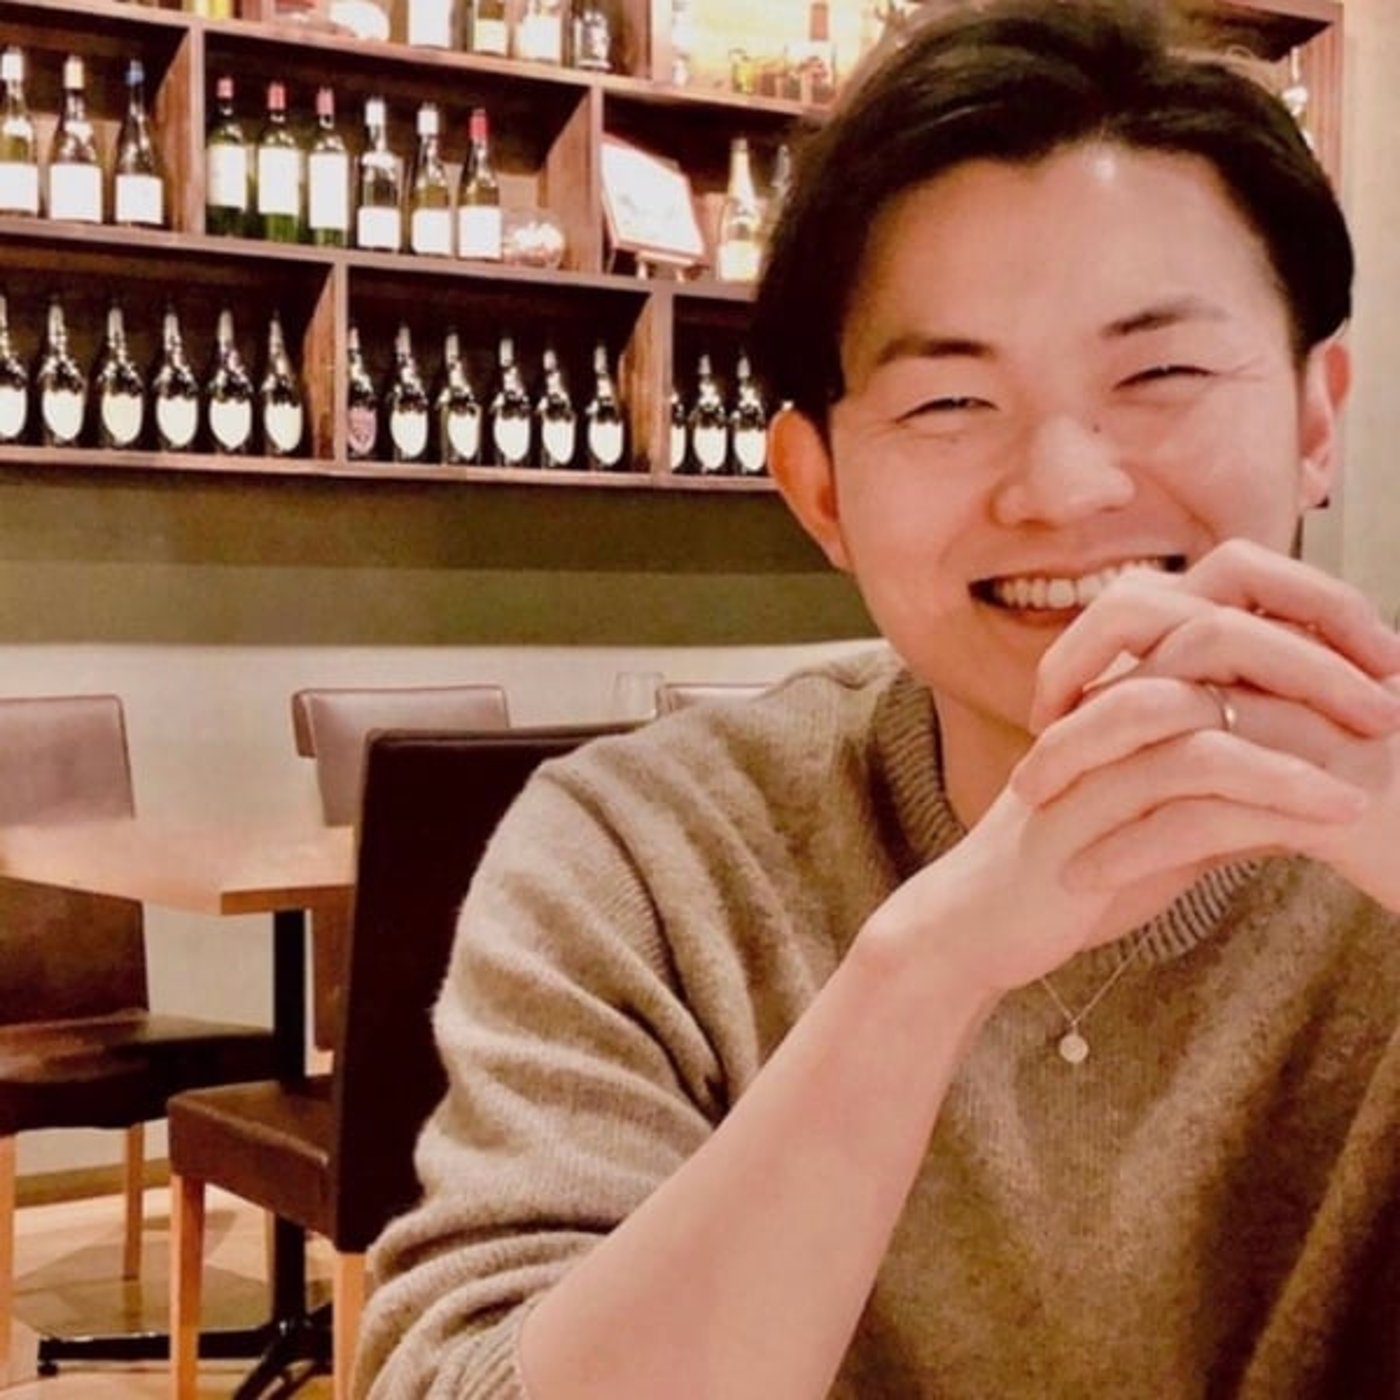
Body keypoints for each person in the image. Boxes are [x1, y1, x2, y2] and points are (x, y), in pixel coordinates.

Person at [357, 2, 1400, 1395]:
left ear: (1317, 419)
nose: (1065, 487)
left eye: (1160, 373)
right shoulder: (644, 859)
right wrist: (923, 975)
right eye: (950, 404)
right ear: (821, 492)